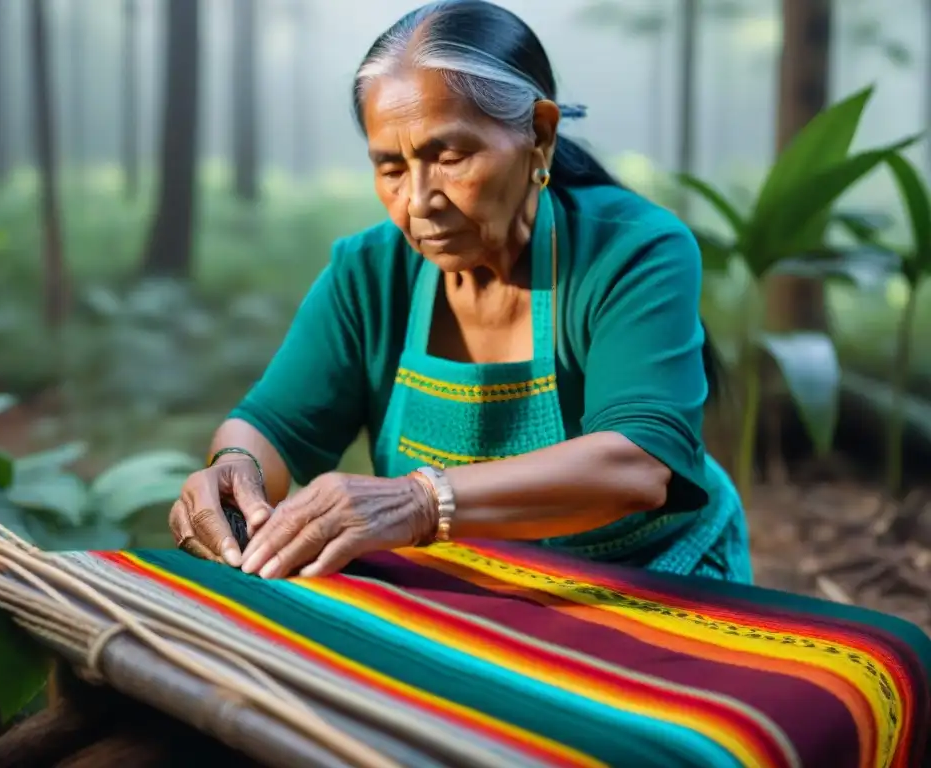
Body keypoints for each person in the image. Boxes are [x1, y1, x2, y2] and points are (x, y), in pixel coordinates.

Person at [169, 0, 752, 585]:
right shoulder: (369, 273)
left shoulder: (630, 250)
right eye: (391, 168)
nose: (419, 199)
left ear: (540, 136)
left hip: (651, 581)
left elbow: (639, 464)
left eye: (449, 156)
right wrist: (235, 468)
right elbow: (271, 424)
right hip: (469, 588)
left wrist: (421, 501)